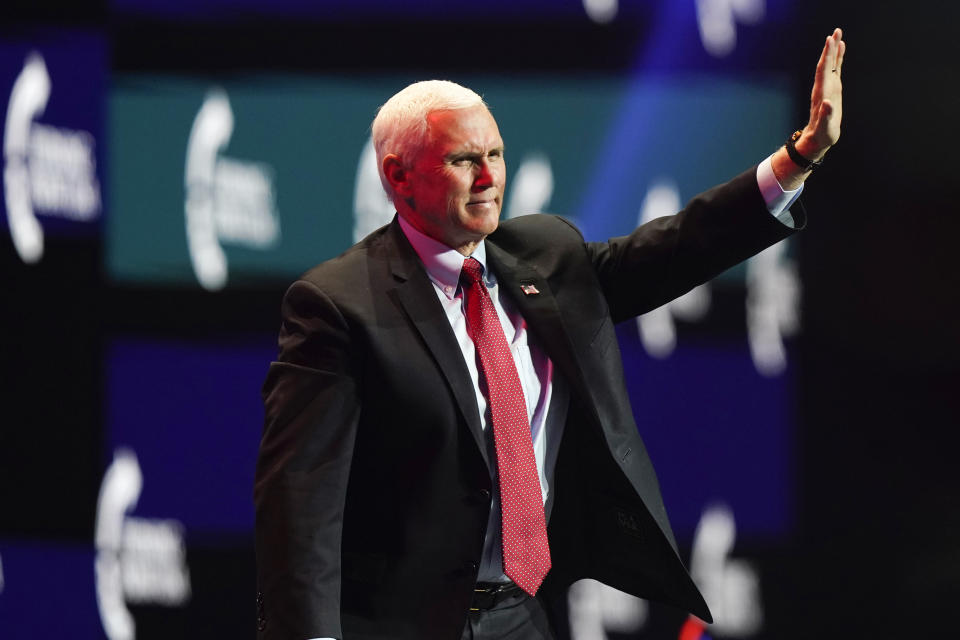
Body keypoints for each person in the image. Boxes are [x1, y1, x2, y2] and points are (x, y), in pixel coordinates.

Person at [254, 29, 846, 640]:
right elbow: (299, 502)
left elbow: (677, 248)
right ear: (398, 177)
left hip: (520, 616)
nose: (488, 178)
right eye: (463, 160)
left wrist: (798, 157)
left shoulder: (544, 255)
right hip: (396, 622)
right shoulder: (338, 305)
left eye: (496, 154)